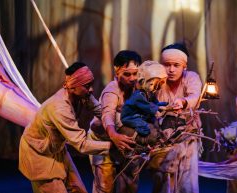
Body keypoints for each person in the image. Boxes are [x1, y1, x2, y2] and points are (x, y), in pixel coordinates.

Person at [18, 62, 111, 193]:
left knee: (79, 189)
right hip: (38, 153)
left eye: (91, 84)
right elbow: (82, 144)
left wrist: (118, 128)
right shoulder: (60, 108)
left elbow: (100, 111)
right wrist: (112, 147)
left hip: (56, 149)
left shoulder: (83, 95)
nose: (91, 90)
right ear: (72, 87)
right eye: (87, 86)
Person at [148, 42, 202, 193]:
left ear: (184, 66)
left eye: (176, 65)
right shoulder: (158, 82)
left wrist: (184, 102)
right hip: (163, 139)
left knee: (187, 181)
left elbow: (196, 96)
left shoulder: (191, 78)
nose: (171, 69)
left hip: (187, 136)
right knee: (163, 179)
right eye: (167, 64)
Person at [87, 50, 142, 193]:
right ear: (117, 72)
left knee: (130, 185)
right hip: (103, 140)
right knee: (105, 186)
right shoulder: (111, 91)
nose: (132, 78)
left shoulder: (138, 87)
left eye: (135, 73)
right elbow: (108, 115)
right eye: (127, 74)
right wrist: (113, 135)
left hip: (125, 141)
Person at [121, 60, 168, 137]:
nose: (157, 87)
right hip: (130, 117)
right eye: (153, 84)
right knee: (145, 128)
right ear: (142, 81)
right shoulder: (139, 95)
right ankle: (138, 138)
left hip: (141, 114)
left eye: (159, 83)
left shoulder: (150, 93)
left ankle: (158, 133)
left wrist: (165, 104)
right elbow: (148, 106)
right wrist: (159, 109)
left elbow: (154, 103)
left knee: (155, 121)